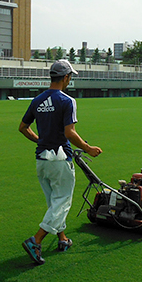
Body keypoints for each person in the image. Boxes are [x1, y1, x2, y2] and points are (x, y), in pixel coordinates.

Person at [18, 59, 102, 265]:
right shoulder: (67, 101)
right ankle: (35, 241)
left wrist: (40, 140)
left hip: (42, 160)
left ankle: (62, 238)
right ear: (65, 77)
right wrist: (88, 148)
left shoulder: (37, 100)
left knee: (53, 202)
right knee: (62, 202)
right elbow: (69, 132)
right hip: (60, 158)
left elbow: (22, 127)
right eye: (70, 76)